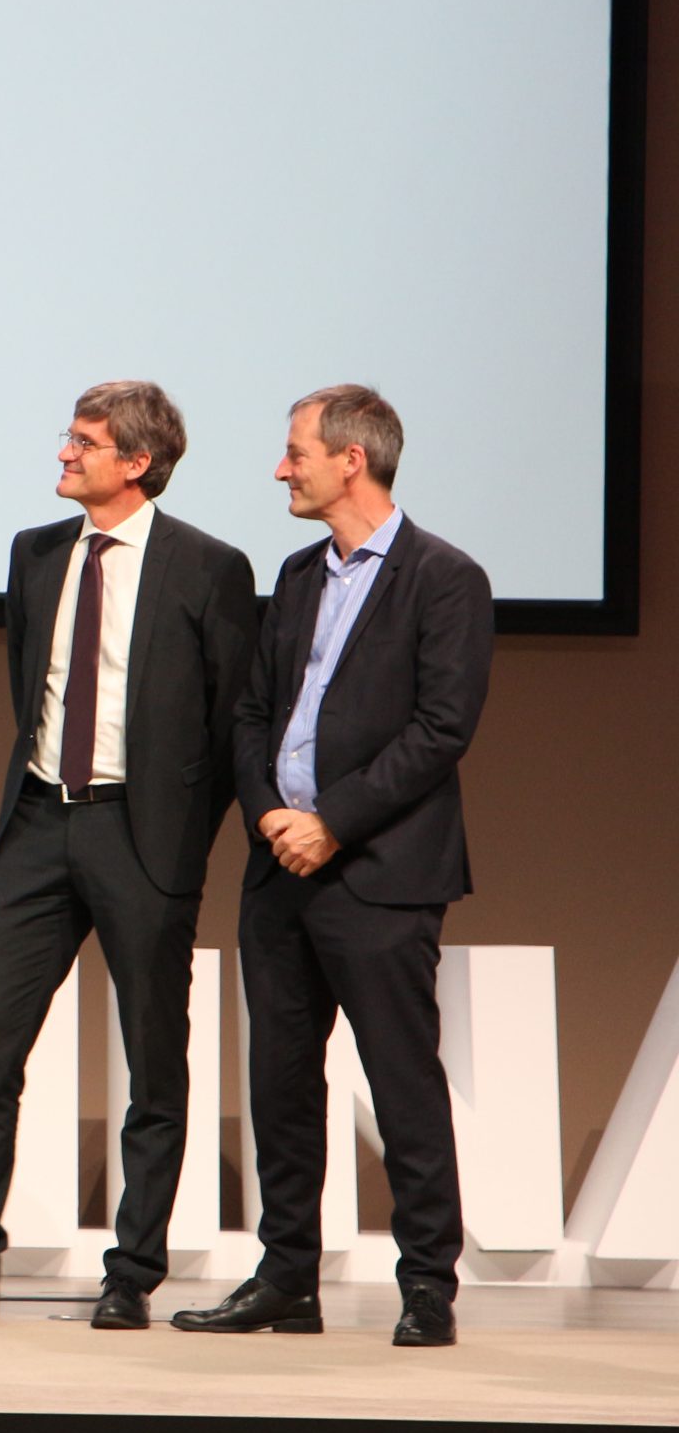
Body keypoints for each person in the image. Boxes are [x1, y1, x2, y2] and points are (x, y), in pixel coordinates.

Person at [0, 382, 255, 1330]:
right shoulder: (36, 553)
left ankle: (131, 1274)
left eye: (85, 442)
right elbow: (32, 685)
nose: (64, 453)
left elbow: (231, 725)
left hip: (142, 835)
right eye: (70, 437)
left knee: (154, 1066)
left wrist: (181, 838)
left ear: (137, 461)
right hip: (38, 823)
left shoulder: (209, 567)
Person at [175, 386, 490, 1348]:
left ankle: (427, 1284)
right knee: (279, 1083)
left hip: (381, 874)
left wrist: (333, 823)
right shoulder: (297, 574)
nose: (282, 468)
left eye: (296, 451)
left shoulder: (445, 578)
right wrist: (273, 812)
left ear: (353, 459)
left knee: (401, 1081)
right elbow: (252, 711)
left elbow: (441, 728)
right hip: (281, 869)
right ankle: (287, 1279)